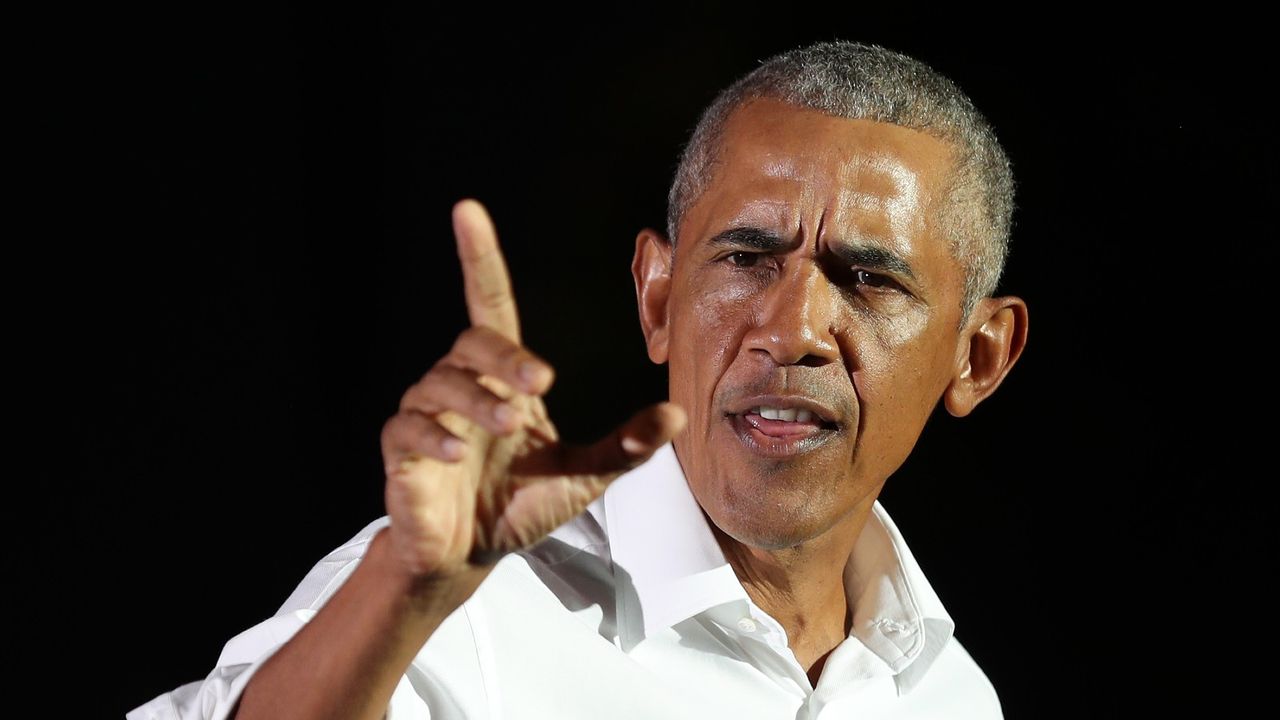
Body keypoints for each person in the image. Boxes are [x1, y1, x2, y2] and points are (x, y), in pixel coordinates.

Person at [129, 39, 1028, 720]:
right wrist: (402, 590)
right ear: (657, 300)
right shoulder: (457, 610)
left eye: (868, 279)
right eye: (748, 256)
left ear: (978, 355)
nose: (791, 330)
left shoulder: (947, 691)